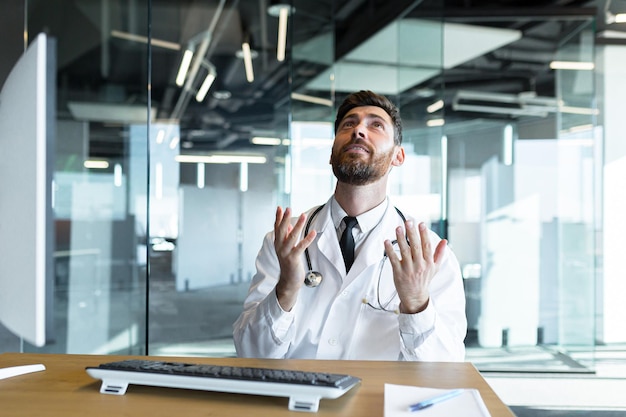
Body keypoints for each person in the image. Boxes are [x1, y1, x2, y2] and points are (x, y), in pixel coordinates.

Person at [233, 90, 467, 361]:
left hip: (377, 401)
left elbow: (446, 369)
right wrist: (285, 288)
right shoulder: (284, 241)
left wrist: (416, 303)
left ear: (398, 156)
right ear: (332, 154)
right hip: (296, 399)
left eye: (375, 125)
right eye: (348, 124)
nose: (358, 130)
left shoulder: (430, 256)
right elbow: (251, 354)